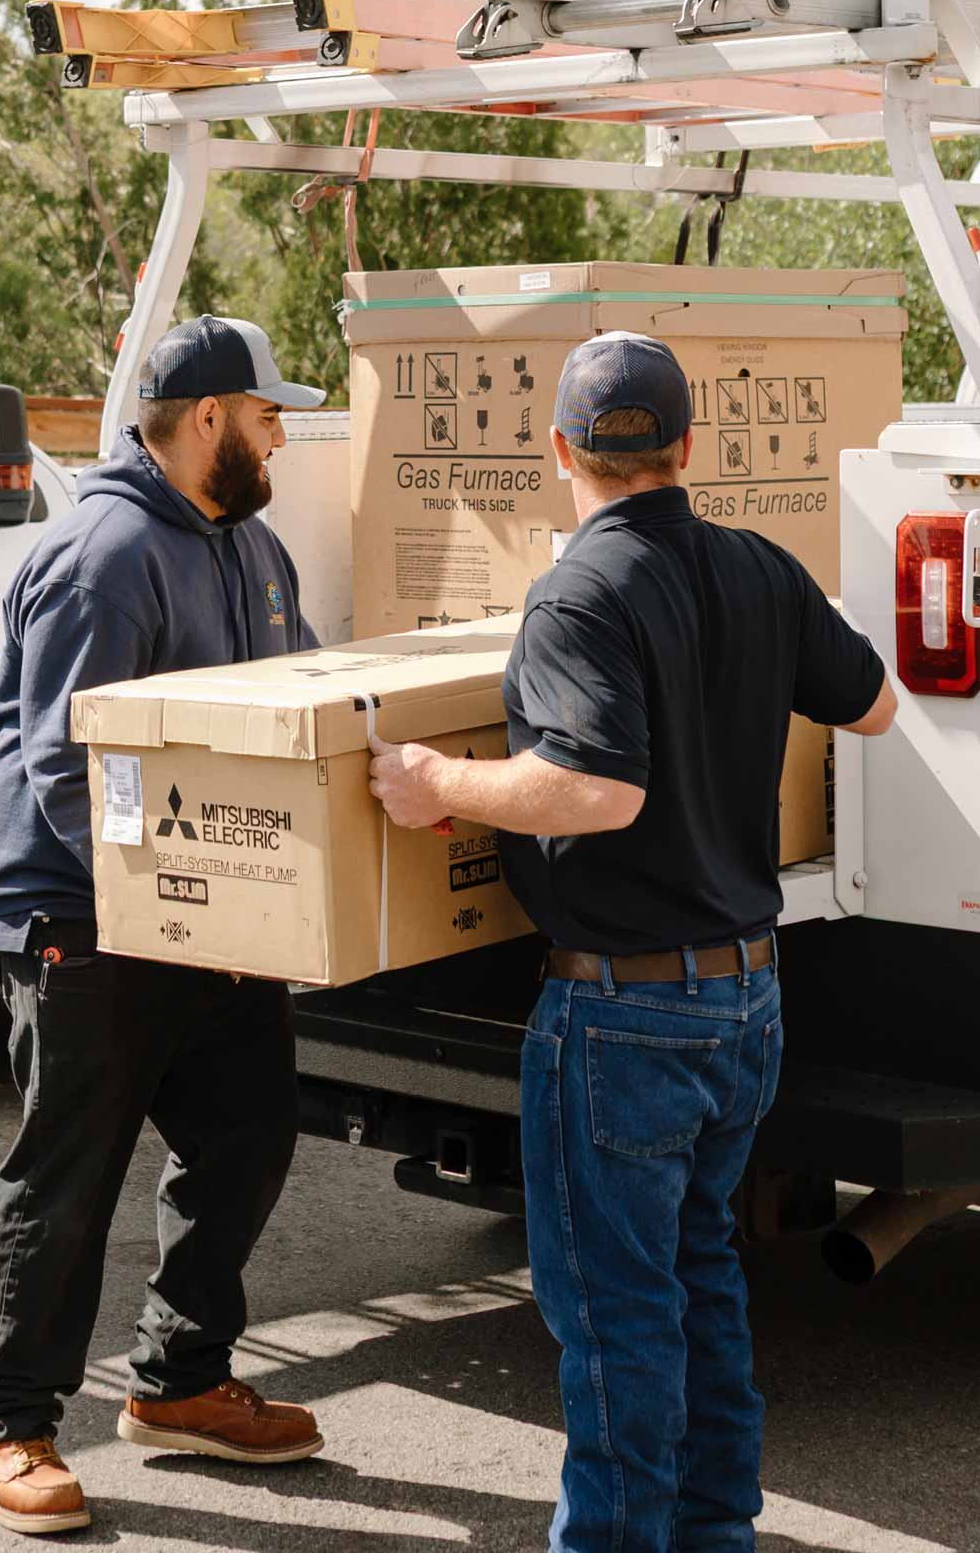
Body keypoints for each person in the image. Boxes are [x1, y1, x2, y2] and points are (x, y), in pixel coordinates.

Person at [369, 331, 896, 1552]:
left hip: (625, 1016)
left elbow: (598, 791)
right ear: (688, 449)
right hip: (746, 998)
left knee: (616, 1315)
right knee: (701, 1278)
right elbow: (870, 701)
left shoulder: (579, 593)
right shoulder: (760, 567)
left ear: (559, 449)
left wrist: (440, 777)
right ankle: (715, 1533)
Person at [0, 314, 334, 1535]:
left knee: (250, 1132)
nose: (283, 431)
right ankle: (6, 1425)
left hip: (205, 915)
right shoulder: (107, 555)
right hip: (83, 912)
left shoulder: (251, 547)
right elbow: (67, 767)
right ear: (211, 417)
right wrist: (174, 910)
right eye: (270, 412)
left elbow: (302, 701)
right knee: (66, 1178)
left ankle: (177, 1382)